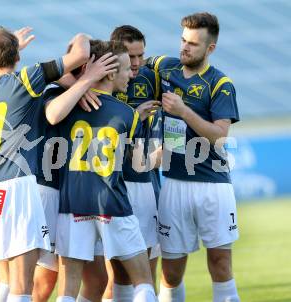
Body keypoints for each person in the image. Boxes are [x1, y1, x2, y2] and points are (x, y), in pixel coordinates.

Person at [0, 26, 91, 302]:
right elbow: (81, 53)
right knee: (21, 284)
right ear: (16, 55)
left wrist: (6, 49)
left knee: (5, 283)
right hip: (16, 187)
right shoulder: (24, 79)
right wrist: (81, 35)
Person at [146, 12, 240, 302]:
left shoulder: (220, 84)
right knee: (171, 273)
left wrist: (184, 111)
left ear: (209, 48)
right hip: (174, 183)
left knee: (220, 265)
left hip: (213, 185)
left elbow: (220, 136)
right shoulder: (165, 67)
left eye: (193, 44)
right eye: (183, 40)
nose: (184, 48)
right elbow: (132, 60)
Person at [53, 40, 157, 302]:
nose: (130, 75)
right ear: (109, 72)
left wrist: (79, 84)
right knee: (144, 283)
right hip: (112, 201)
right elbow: (134, 164)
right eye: (124, 70)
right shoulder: (128, 114)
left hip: (72, 202)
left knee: (68, 291)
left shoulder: (66, 104)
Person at [33, 44, 120, 302]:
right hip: (51, 191)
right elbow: (53, 114)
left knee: (97, 280)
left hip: (81, 197)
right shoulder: (55, 90)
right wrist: (80, 84)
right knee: (44, 281)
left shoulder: (101, 99)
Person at [108, 25, 162, 299]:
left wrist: (167, 151)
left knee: (149, 272)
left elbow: (172, 117)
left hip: (145, 182)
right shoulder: (101, 83)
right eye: (132, 57)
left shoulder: (153, 77)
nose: (138, 63)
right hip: (111, 184)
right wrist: (133, 116)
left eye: (142, 55)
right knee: (113, 275)